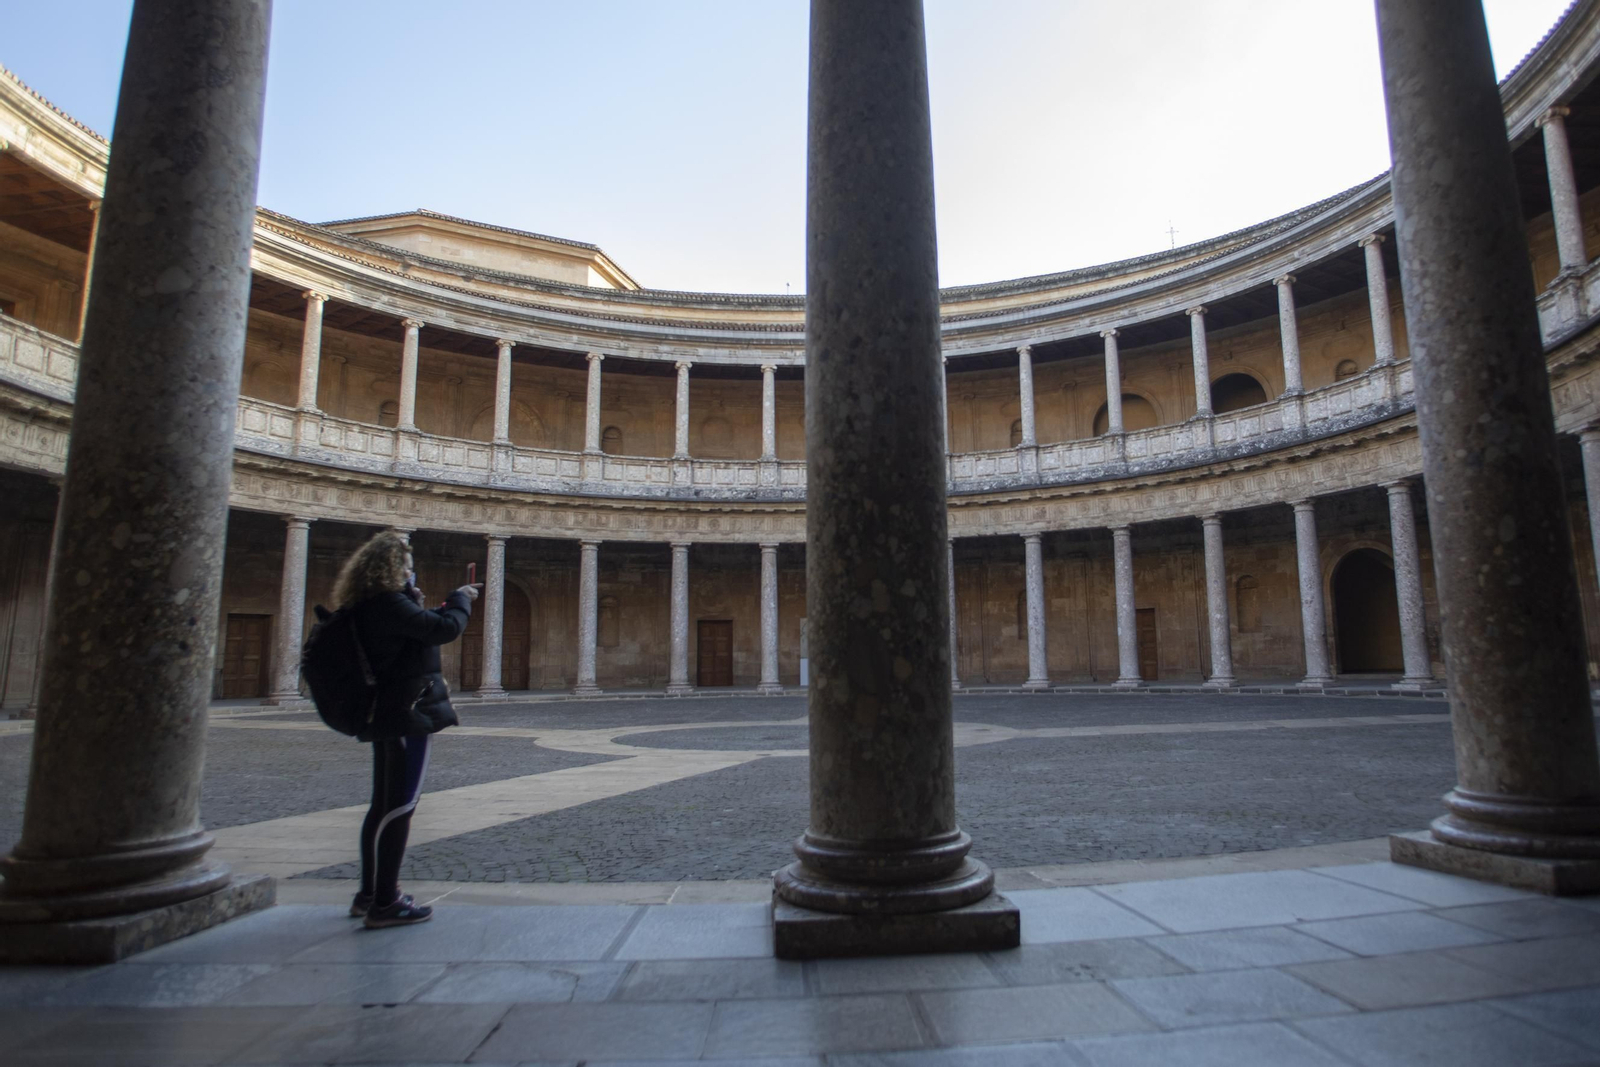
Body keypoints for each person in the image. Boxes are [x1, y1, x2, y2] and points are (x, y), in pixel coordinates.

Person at [329, 529, 480, 928]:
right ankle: (385, 902)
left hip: (386, 712)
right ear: (391, 569)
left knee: (382, 805)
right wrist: (460, 600)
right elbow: (441, 629)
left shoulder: (366, 604)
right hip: (404, 713)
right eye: (408, 568)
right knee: (400, 805)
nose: (411, 574)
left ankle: (369, 893)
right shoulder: (388, 604)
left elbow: (420, 628)